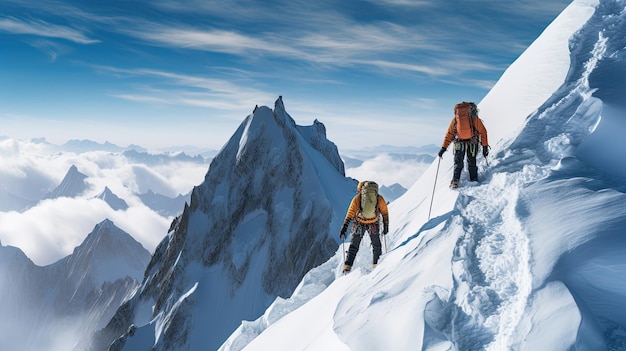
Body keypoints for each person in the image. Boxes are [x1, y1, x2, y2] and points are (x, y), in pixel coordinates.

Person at [340, 180, 389, 273]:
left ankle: (347, 267)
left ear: (361, 189)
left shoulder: (357, 198)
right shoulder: (379, 198)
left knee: (354, 246)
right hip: (373, 223)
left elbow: (350, 213)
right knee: (376, 245)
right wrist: (386, 225)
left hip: (359, 223)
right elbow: (384, 212)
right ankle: (376, 266)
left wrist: (344, 227)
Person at [438, 101, 489, 188]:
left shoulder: (455, 120)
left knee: (458, 163)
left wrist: (443, 148)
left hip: (459, 142)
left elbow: (449, 134)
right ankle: (474, 180)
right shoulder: (474, 118)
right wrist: (485, 146)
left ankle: (455, 181)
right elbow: (483, 132)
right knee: (471, 162)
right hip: (472, 142)